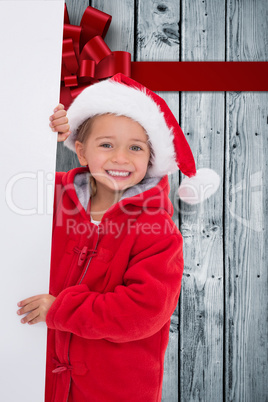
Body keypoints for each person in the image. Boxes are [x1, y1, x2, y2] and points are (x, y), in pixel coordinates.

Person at [16, 73, 220, 402]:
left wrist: (62, 310)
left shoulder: (157, 229)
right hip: (38, 378)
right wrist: (40, 136)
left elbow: (144, 310)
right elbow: (12, 172)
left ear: (151, 159)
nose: (120, 158)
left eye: (135, 148)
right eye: (106, 144)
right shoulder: (52, 195)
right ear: (81, 152)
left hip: (114, 388)